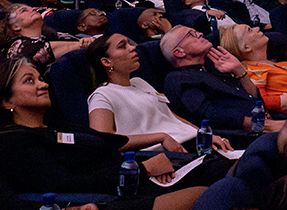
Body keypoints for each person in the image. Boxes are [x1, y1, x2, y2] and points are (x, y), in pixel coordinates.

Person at [0, 54, 221, 210]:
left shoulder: (59, 126)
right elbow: (65, 184)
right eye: (30, 81)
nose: (43, 85)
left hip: (133, 184)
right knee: (213, 190)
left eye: (40, 79)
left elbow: (110, 141)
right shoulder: (12, 140)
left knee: (219, 169)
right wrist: (142, 170)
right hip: (109, 202)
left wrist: (159, 142)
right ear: (6, 100)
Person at [86, 33, 233, 158]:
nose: (133, 47)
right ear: (106, 61)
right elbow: (103, 140)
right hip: (165, 154)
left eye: (129, 43)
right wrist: (160, 137)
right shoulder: (102, 95)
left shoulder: (139, 82)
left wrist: (203, 134)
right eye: (122, 46)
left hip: (192, 142)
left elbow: (171, 117)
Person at [159, 25, 263, 131]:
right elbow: (208, 113)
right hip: (241, 135)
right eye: (191, 34)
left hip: (263, 121)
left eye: (196, 31)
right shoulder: (178, 78)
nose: (200, 34)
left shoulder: (215, 66)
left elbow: (252, 98)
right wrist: (263, 125)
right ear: (179, 52)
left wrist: (239, 70)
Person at [224, 25, 287, 113]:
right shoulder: (251, 70)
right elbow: (264, 101)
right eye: (249, 30)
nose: (257, 28)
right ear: (246, 48)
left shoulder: (283, 64)